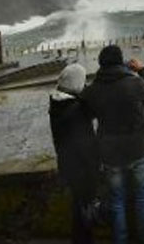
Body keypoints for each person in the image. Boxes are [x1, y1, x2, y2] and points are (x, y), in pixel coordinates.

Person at [81, 45, 144, 244]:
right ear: (120, 61)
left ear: (100, 64)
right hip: (139, 149)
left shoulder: (92, 91)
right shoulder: (133, 83)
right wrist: (142, 69)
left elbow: (86, 114)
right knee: (143, 198)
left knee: (117, 201)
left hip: (110, 154)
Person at [49, 63, 100, 244]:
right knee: (84, 214)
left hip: (68, 166)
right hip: (82, 170)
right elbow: (84, 146)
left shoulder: (57, 104)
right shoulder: (76, 111)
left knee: (78, 210)